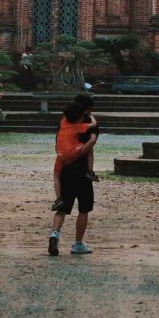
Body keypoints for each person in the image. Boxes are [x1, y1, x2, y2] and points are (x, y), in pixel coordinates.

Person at [49, 95, 98, 255]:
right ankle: (78, 243)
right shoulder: (84, 125)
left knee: (62, 208)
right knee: (83, 209)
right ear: (86, 110)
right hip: (82, 170)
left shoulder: (63, 121)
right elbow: (93, 139)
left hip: (64, 167)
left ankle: (54, 234)